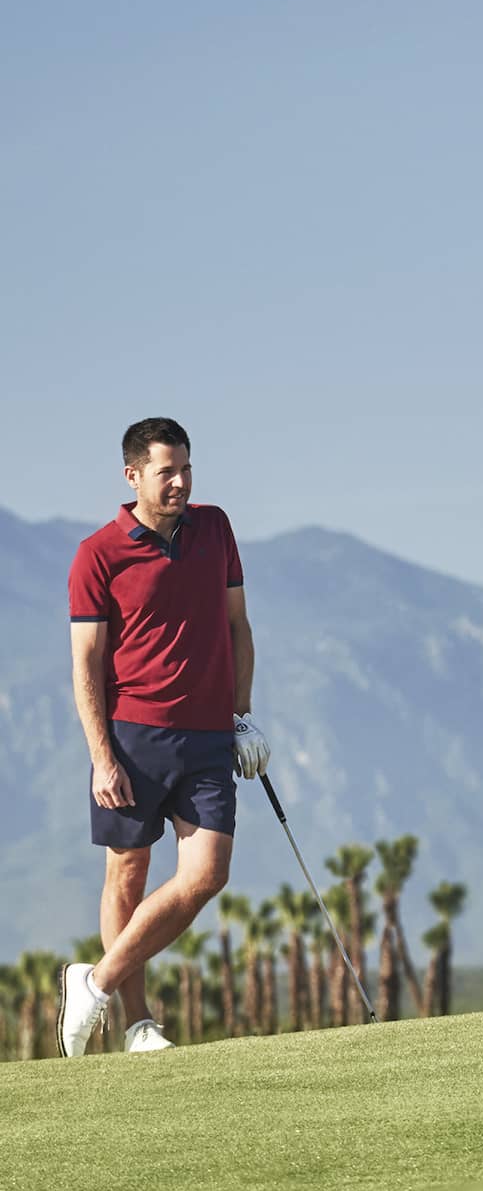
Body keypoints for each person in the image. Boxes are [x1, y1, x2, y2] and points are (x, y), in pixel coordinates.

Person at [58, 418, 270, 1056]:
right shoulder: (98, 555)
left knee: (206, 874)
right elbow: (86, 665)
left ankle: (93, 982)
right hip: (133, 738)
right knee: (128, 875)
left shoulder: (216, 529)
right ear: (133, 476)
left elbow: (238, 626)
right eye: (164, 472)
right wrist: (102, 757)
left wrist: (241, 714)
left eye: (185, 469)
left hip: (207, 737)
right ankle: (136, 1022)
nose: (179, 482)